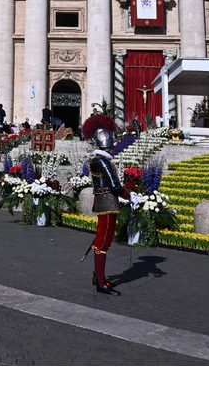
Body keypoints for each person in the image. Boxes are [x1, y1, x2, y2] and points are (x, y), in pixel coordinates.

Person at [83, 125, 128, 296]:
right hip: (108, 203)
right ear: (108, 145)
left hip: (101, 202)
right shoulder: (104, 161)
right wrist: (131, 197)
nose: (114, 147)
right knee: (103, 242)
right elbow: (115, 186)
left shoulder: (95, 160)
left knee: (100, 238)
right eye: (112, 145)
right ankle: (101, 283)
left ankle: (98, 275)